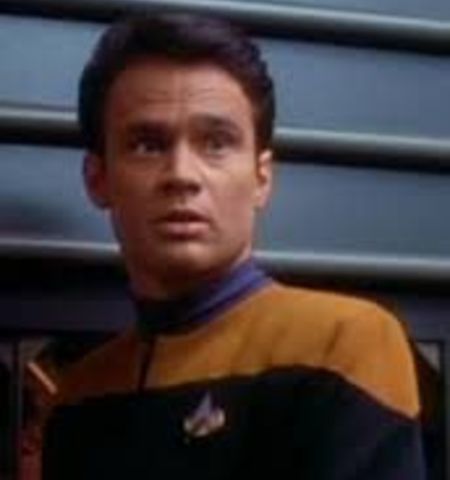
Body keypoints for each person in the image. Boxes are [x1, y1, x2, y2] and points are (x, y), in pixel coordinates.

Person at [40, 13, 425, 479]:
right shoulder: (79, 398)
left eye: (216, 143)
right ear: (97, 179)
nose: (182, 175)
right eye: (147, 145)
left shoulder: (340, 344)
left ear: (262, 177)